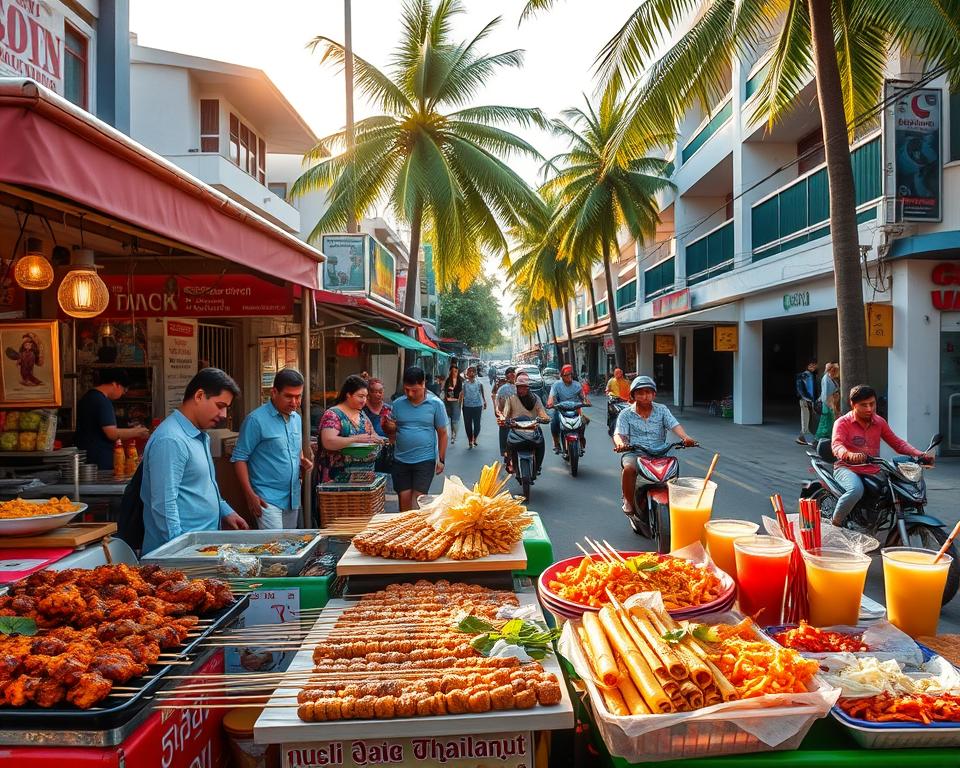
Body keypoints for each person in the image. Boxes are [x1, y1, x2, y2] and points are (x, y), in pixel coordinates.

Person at [141, 368, 249, 554]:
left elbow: (202, 485)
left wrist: (225, 510)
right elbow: (164, 506)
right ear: (199, 395)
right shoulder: (171, 439)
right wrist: (181, 551)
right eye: (220, 405)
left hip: (202, 548)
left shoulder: (199, 435)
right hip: (179, 557)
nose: (223, 414)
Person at [829, 384, 933, 527]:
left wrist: (920, 454)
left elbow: (898, 443)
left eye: (872, 404)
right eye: (864, 405)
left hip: (873, 468)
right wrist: (849, 454)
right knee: (855, 490)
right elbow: (837, 445)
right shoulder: (842, 423)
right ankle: (836, 523)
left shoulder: (879, 422)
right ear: (853, 404)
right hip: (847, 468)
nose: (869, 409)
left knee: (899, 486)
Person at [231, 369, 312, 530]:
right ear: (274, 392)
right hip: (266, 498)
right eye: (289, 396)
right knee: (276, 547)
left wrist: (303, 462)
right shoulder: (255, 420)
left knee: (289, 546)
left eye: (298, 396)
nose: (294, 402)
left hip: (292, 496)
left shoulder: (296, 418)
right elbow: (239, 458)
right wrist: (250, 495)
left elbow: (295, 450)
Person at [612, 376, 696, 516]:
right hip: (636, 452)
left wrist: (685, 437)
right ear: (633, 395)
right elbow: (618, 434)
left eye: (648, 392)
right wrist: (621, 444)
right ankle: (627, 499)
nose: (645, 396)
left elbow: (674, 425)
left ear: (654, 394)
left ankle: (673, 500)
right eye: (640, 392)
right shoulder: (625, 414)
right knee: (628, 469)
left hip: (661, 452)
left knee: (673, 470)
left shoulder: (662, 410)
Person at [381, 366, 448, 511]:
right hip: (400, 460)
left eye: (414, 390)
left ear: (423, 384)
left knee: (418, 502)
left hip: (425, 460)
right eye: (406, 390)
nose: (410, 394)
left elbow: (442, 433)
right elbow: (390, 433)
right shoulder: (398, 404)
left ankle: (417, 532)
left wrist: (441, 459)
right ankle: (406, 532)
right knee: (404, 502)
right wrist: (389, 427)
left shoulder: (436, 404)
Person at [76, 368, 150, 470]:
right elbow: (112, 433)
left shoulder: (88, 397)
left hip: (87, 458)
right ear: (115, 384)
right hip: (100, 460)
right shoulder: (102, 401)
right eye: (124, 390)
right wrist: (137, 432)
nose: (123, 393)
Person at [316, 375, 384, 484]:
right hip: (338, 479)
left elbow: (372, 435)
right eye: (360, 396)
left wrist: (378, 439)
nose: (364, 401)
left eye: (366, 397)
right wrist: (355, 439)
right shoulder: (333, 414)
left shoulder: (361, 414)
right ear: (348, 395)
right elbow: (328, 442)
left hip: (365, 478)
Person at [499, 372, 549, 472]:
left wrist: (545, 418)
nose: (520, 389)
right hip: (516, 427)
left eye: (523, 387)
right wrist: (504, 419)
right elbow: (505, 414)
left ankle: (538, 466)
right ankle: (510, 461)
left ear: (527, 388)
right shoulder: (511, 398)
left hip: (532, 428)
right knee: (508, 443)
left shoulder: (536, 399)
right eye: (518, 387)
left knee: (541, 443)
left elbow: (542, 413)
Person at [547, 364, 590, 454]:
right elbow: (551, 396)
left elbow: (583, 397)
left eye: (570, 374)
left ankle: (581, 438)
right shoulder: (556, 385)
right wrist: (550, 403)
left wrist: (586, 401)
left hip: (575, 409)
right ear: (562, 376)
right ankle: (556, 443)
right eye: (567, 375)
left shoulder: (577, 385)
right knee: (554, 422)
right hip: (560, 409)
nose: (569, 376)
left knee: (583, 422)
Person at [363, 377, 395, 473]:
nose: (378, 394)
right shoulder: (362, 409)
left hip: (387, 453)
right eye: (374, 392)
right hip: (367, 453)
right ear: (368, 393)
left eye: (380, 391)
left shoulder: (389, 409)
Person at [492, 366, 517, 461]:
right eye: (510, 375)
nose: (512, 377)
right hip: (506, 416)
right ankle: (505, 453)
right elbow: (498, 404)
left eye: (513, 374)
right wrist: (499, 413)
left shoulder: (521, 387)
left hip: (519, 417)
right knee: (503, 430)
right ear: (507, 377)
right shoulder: (502, 389)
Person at [461, 366, 487, 449]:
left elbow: (482, 393)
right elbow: (462, 395)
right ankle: (470, 440)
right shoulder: (464, 383)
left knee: (477, 426)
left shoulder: (479, 383)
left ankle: (475, 438)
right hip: (467, 407)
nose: (471, 373)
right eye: (470, 371)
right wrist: (460, 404)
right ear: (467, 373)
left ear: (476, 373)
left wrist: (484, 401)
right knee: (467, 425)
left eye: (473, 371)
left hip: (477, 406)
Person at [815, 363, 841, 441]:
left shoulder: (831, 378)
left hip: (832, 403)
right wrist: (832, 406)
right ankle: (819, 440)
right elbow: (826, 394)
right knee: (825, 422)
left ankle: (824, 439)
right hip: (828, 404)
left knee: (828, 422)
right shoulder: (826, 379)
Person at [796, 358, 819, 445]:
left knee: (808, 420)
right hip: (805, 401)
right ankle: (802, 438)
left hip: (810, 401)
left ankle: (803, 438)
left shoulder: (812, 375)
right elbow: (800, 390)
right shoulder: (803, 376)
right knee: (806, 419)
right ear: (807, 366)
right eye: (810, 365)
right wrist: (808, 399)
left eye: (814, 365)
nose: (813, 366)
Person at [443, 364, 464, 446]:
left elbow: (462, 392)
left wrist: (461, 401)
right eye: (453, 371)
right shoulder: (447, 380)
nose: (454, 373)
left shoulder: (460, 380)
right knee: (450, 419)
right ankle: (452, 433)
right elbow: (444, 390)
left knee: (455, 420)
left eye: (456, 371)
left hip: (456, 402)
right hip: (448, 402)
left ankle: (453, 436)